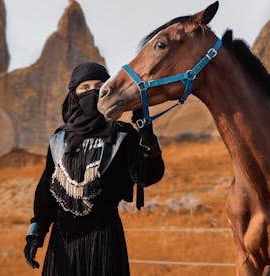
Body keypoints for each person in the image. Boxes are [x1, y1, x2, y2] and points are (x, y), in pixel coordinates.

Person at [23, 62, 165, 276]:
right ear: (74, 94)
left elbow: (147, 176)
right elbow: (46, 191)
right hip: (62, 243)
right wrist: (36, 232)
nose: (92, 92)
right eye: (85, 87)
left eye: (99, 86)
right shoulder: (59, 139)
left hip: (104, 241)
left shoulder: (123, 136)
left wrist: (147, 139)